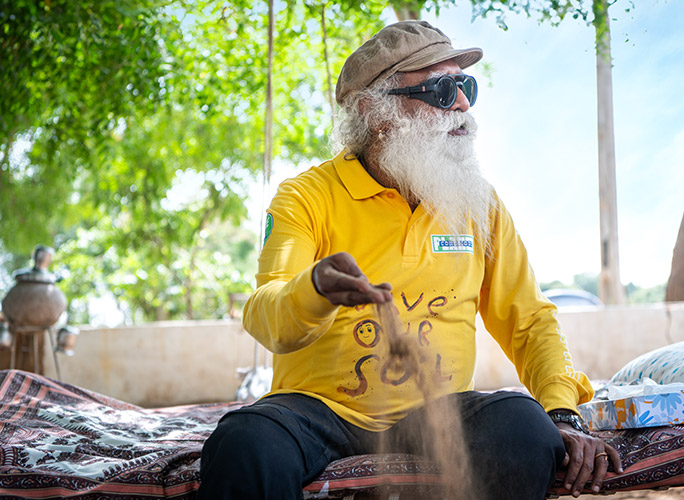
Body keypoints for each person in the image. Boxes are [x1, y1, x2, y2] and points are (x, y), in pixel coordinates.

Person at [198, 20, 622, 500]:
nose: (462, 104)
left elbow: (529, 320)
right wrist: (313, 289)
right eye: (442, 90)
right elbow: (266, 314)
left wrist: (561, 411)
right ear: (375, 113)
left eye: (465, 86)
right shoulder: (306, 197)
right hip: (318, 412)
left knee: (524, 427)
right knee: (244, 444)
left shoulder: (479, 204)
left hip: (438, 412)